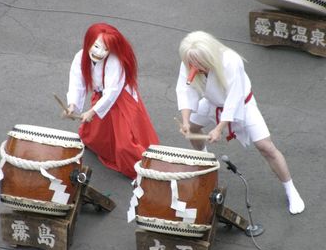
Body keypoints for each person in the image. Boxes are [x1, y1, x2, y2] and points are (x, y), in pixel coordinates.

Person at [175, 31, 305, 214]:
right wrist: (186, 121)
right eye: (191, 63)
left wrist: (219, 128)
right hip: (213, 103)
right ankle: (204, 160)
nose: (194, 66)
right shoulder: (189, 61)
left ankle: (290, 189)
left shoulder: (231, 60)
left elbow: (234, 99)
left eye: (199, 62)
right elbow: (184, 90)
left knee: (265, 146)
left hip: (243, 104)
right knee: (194, 128)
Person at [63, 23, 159, 180]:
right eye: (96, 46)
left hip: (122, 101)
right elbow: (76, 83)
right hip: (103, 98)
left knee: (125, 145)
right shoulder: (80, 57)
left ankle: (144, 170)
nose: (99, 53)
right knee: (96, 135)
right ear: (88, 42)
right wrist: (72, 105)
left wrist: (92, 111)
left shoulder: (115, 61)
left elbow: (112, 92)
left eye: (105, 49)